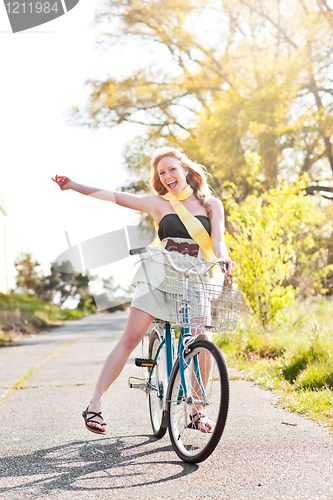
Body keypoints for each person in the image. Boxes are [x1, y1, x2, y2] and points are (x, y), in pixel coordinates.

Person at [52, 147, 236, 435]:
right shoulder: (156, 203)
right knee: (130, 337)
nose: (167, 176)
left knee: (204, 337)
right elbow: (112, 196)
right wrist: (73, 185)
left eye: (171, 169)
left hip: (195, 274)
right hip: (158, 273)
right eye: (161, 173)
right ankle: (95, 405)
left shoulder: (211, 204)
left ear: (185, 170)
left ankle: (197, 411)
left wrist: (224, 258)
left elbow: (218, 240)